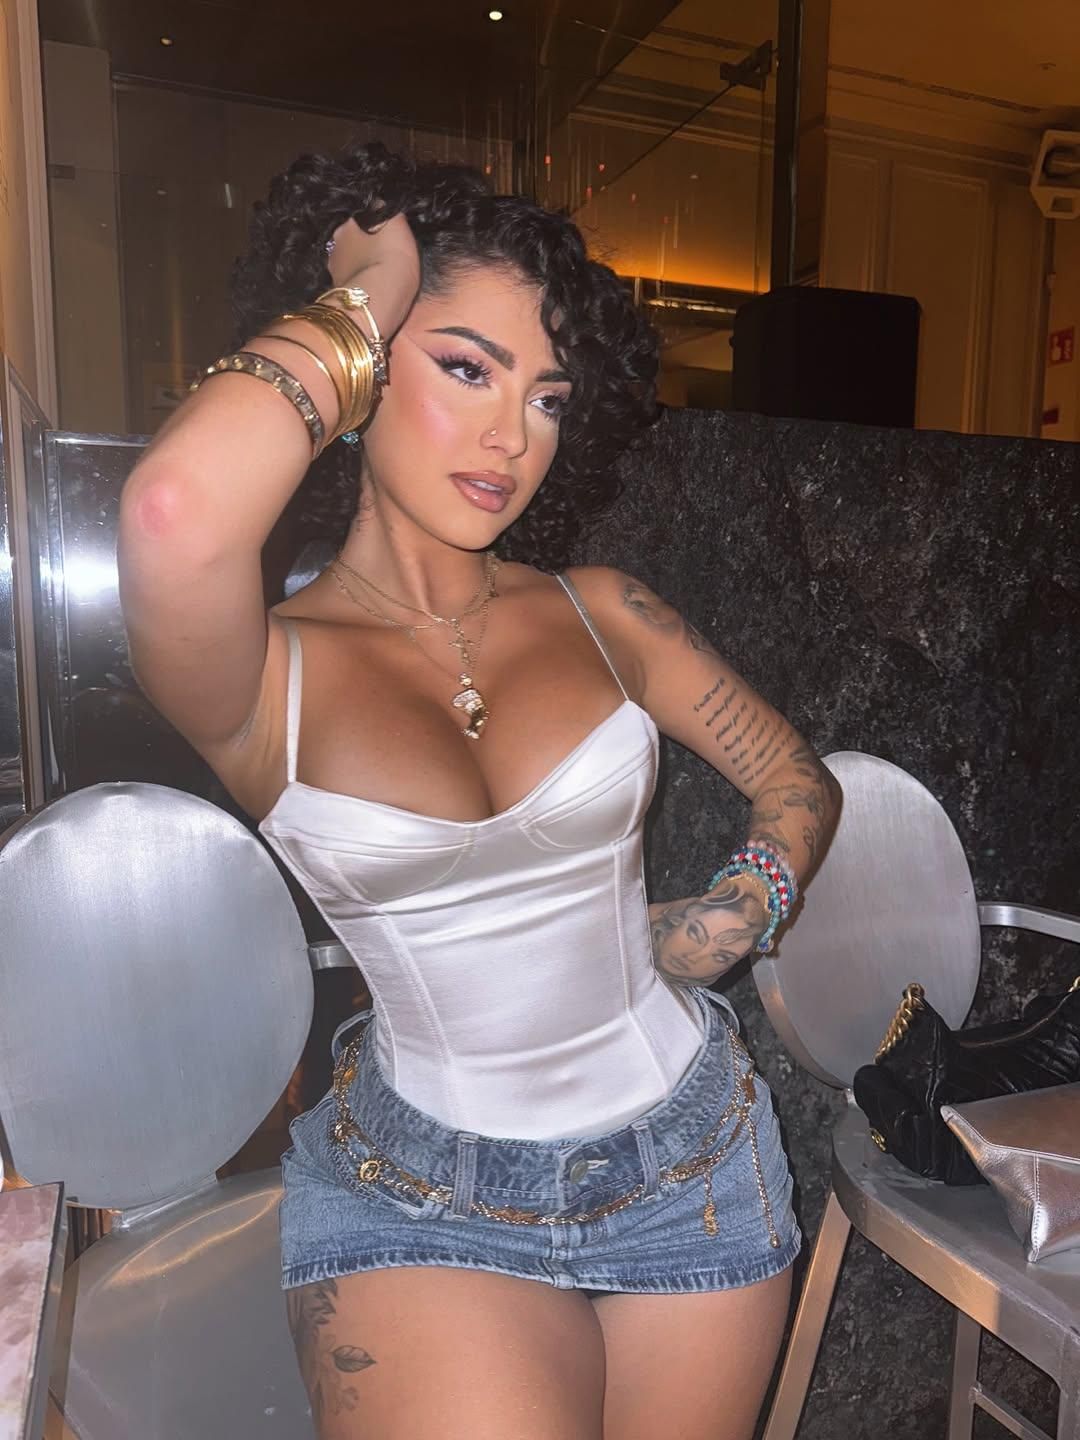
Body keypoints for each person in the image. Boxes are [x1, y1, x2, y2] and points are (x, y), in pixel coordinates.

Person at [118, 140, 841, 1440]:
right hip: (423, 1203)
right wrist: (371, 285)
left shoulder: (603, 612)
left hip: (694, 1158)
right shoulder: (261, 677)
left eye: (548, 397)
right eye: (466, 367)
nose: (514, 435)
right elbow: (176, 511)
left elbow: (796, 776)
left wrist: (733, 916)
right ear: (364, 372)